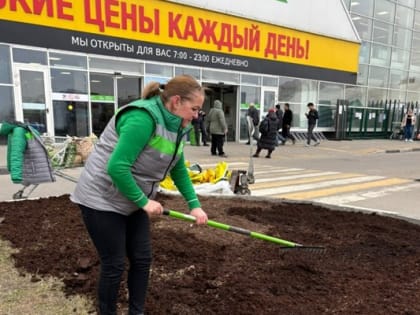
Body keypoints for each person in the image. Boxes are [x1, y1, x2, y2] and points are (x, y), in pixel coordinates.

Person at [70, 75, 208, 315]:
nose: (197, 115)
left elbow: (177, 167)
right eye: (194, 108)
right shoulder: (142, 118)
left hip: (132, 200)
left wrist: (194, 205)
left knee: (142, 259)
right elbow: (117, 167)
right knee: (114, 264)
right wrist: (144, 201)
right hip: (101, 198)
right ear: (176, 101)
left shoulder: (177, 125)